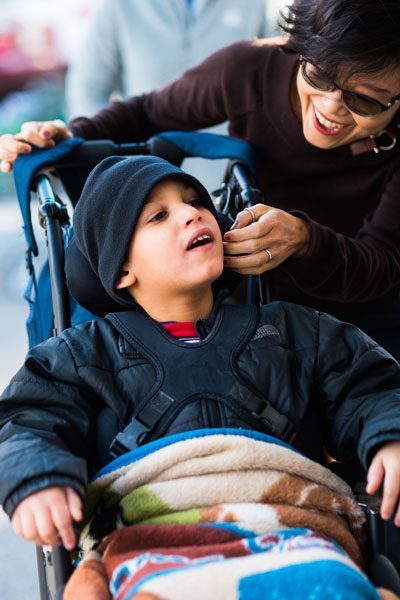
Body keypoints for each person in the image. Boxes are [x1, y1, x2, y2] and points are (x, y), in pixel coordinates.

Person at [0, 155, 399, 565]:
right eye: (158, 216)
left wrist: (390, 435)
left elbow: (370, 387)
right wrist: (38, 479)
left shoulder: (294, 331)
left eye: (195, 201)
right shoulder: (83, 354)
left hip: (291, 531)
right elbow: (26, 421)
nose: (191, 214)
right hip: (153, 541)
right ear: (121, 270)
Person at [1, 0, 399, 359]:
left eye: (364, 99)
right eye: (320, 76)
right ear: (302, 50)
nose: (331, 107)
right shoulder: (250, 69)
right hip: (254, 316)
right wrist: (66, 137)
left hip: (366, 327)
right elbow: (147, 112)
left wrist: (305, 241)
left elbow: (383, 266)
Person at [65, 0, 273, 118]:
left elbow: (273, 80)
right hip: (148, 176)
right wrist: (117, 158)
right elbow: (87, 91)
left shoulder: (255, 5)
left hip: (232, 175)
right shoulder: (119, 6)